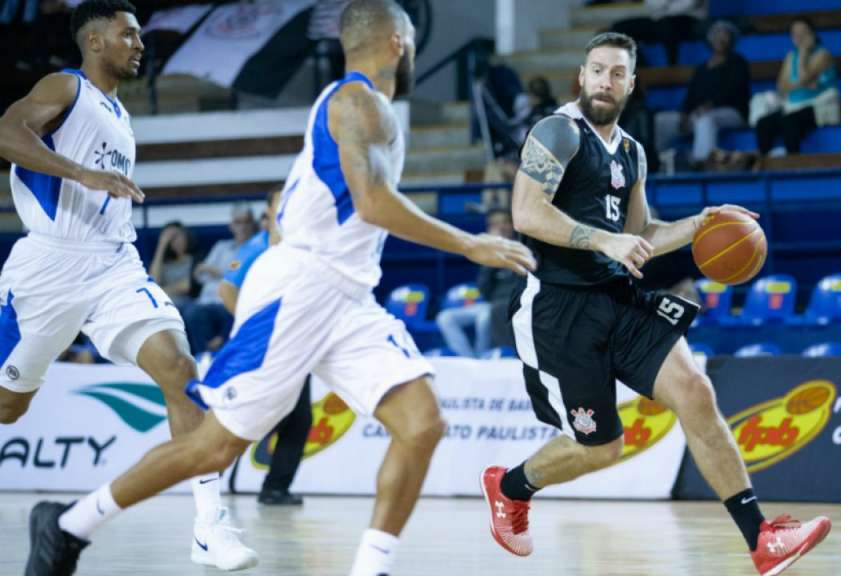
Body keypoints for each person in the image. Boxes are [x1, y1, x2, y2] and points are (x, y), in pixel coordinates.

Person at [23, 3, 536, 576]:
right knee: (213, 447)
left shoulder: (373, 106)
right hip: (300, 288)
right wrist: (471, 244)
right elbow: (372, 202)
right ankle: (69, 525)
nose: (415, 52)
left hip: (347, 295)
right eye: (413, 42)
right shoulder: (355, 101)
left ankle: (372, 568)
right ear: (398, 41)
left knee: (422, 423)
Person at [479, 32, 831, 576]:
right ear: (582, 74)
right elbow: (526, 213)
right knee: (601, 448)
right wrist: (603, 240)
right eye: (597, 70)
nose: (605, 81)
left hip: (618, 298)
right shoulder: (558, 131)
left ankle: (761, 538)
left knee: (696, 390)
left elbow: (641, 232)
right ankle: (509, 488)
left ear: (632, 84)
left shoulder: (632, 151)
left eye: (617, 73)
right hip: (559, 310)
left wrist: (700, 225)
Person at [0, 0, 256, 572]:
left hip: (114, 268)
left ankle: (209, 527)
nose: (140, 44)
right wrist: (82, 174)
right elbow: (6, 132)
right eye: (129, 34)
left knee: (181, 370)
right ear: (94, 41)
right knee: (8, 408)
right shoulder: (64, 87)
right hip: (47, 269)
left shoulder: (120, 115)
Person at [218, 189, 311, 506]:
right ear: (268, 211)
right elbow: (226, 287)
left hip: (296, 344)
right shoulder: (253, 247)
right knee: (253, 414)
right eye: (280, 200)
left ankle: (275, 487)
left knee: (298, 419)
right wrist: (250, 326)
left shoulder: (304, 246)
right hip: (261, 346)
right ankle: (211, 470)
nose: (288, 203)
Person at [436, 208, 520, 357]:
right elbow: (484, 290)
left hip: (510, 305)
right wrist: (493, 256)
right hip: (490, 304)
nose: (500, 227)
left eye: (504, 222)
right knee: (445, 317)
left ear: (512, 225)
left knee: (485, 317)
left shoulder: (521, 249)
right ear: (489, 229)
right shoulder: (487, 251)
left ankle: (483, 360)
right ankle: (469, 359)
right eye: (495, 224)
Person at [755, 18, 839, 156]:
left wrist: (803, 55)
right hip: (793, 105)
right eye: (795, 34)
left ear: (813, 34)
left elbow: (804, 77)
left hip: (818, 105)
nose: (799, 37)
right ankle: (766, 162)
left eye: (803, 33)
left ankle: (792, 161)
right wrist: (802, 83)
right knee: (763, 124)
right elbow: (781, 87)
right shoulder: (790, 56)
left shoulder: (823, 54)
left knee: (790, 122)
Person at [183, 204, 257, 354]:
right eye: (238, 222)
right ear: (231, 225)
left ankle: (208, 358)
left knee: (195, 313)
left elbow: (238, 278)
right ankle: (205, 359)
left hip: (227, 302)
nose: (242, 227)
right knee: (187, 310)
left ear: (252, 225)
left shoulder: (254, 249)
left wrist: (213, 270)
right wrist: (217, 271)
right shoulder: (221, 246)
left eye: (246, 222)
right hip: (205, 300)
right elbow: (199, 275)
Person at [679, 20, 749, 165]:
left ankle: (701, 163)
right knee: (662, 122)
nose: (721, 39)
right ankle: (649, 166)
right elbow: (691, 96)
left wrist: (711, 105)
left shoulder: (737, 62)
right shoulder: (701, 68)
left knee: (705, 120)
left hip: (732, 112)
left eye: (725, 35)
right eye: (717, 35)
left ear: (731, 40)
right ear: (710, 39)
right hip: (698, 112)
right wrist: (684, 114)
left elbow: (735, 92)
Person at [609, 0, 706, 67]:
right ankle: (640, 65)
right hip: (659, 20)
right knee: (619, 28)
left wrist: (664, 7)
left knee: (668, 25)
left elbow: (689, 4)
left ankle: (672, 66)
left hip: (690, 20)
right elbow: (651, 4)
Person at [149, 221, 197, 308]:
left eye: (177, 236)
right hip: (161, 304)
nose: (175, 240)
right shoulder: (164, 264)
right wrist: (162, 245)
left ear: (186, 236)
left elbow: (187, 286)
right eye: (170, 238)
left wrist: (159, 291)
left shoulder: (195, 259)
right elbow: (153, 282)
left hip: (186, 304)